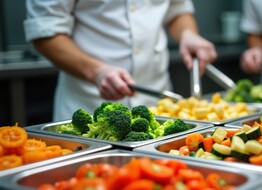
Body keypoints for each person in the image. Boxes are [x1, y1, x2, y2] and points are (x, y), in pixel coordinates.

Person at [24, 0, 217, 121]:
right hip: (89, 105)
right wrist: (95, 71)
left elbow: (177, 9)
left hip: (158, 103)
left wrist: (187, 34)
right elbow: (45, 31)